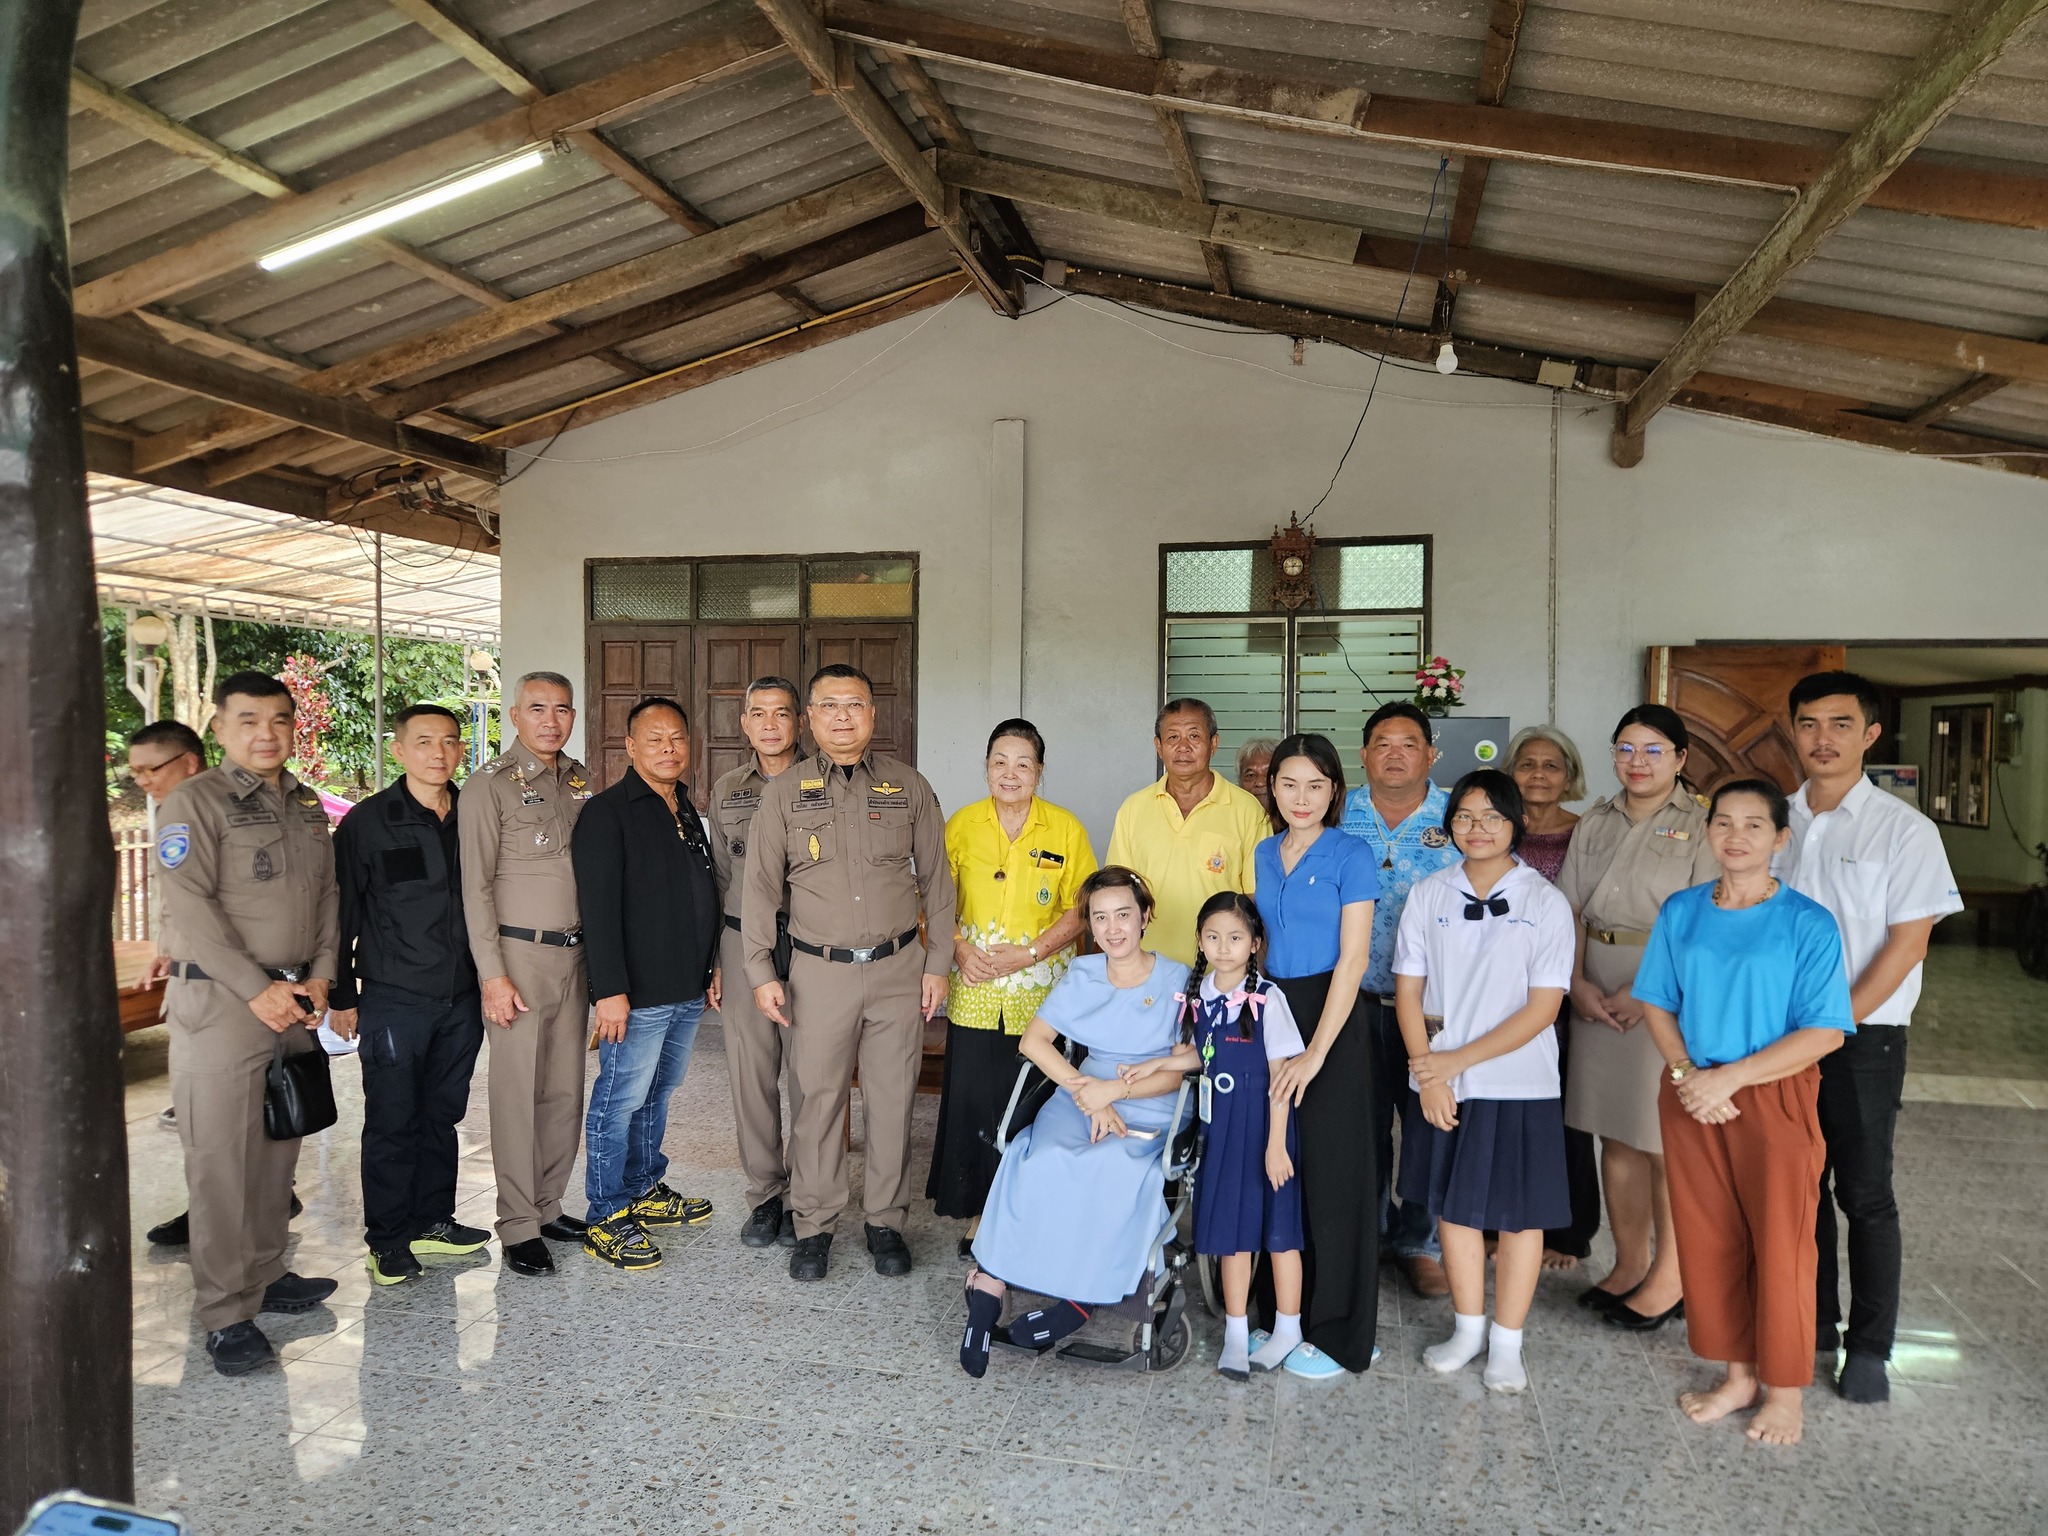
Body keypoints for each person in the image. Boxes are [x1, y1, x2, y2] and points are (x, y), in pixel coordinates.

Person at [1635, 778, 1854, 1445]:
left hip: (1773, 1094)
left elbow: (1826, 1031)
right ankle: (1737, 1377)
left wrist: (1730, 1078)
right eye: (1723, 822)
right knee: (1711, 1238)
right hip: (1691, 1093)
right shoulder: (1682, 910)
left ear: (1780, 838)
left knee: (1782, 1244)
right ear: (1707, 832)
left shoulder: (1807, 922)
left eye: (1754, 824)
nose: (1736, 836)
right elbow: (1656, 1001)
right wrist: (1686, 1074)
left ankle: (1784, 1391)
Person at [742, 664, 956, 1282]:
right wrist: (760, 970)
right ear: (810, 717)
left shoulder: (908, 786)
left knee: (893, 1100)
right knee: (818, 1102)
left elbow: (938, 882)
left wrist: (937, 964)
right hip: (819, 973)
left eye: (855, 704)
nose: (842, 716)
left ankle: (885, 1220)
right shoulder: (785, 793)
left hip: (897, 970)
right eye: (829, 705)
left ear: (873, 714)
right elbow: (760, 888)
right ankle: (814, 1225)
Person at [1781, 671, 1961, 1404]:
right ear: (1792, 731)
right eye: (1809, 724)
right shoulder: (1772, 821)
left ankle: (1870, 1348)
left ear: (1871, 735)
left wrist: (1835, 1023)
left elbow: (1907, 945)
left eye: (1841, 724)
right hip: (1779, 1038)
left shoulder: (1904, 830)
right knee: (1801, 1189)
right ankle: (1815, 1325)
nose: (1823, 739)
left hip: (1863, 1038)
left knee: (1864, 1193)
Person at [154, 671, 339, 1375]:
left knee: (276, 1148)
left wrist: (322, 973)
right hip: (222, 1006)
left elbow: (327, 895)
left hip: (292, 999)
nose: (267, 734)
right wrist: (256, 988)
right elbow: (192, 907)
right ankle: (225, 1311)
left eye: (280, 720)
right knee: (220, 1161)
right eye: (250, 721)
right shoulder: (193, 802)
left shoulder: (304, 802)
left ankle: (265, 1272)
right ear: (220, 729)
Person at [959, 868, 1193, 1377]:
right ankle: (988, 1290)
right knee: (1036, 1156)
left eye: (1123, 915)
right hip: (1080, 1092)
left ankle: (1078, 1302)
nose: (1112, 929)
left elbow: (1180, 1072)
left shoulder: (1178, 980)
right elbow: (1034, 1041)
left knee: (1113, 1166)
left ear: (1145, 916)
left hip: (1150, 1099)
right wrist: (1088, 1092)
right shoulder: (1083, 973)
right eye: (1100, 918)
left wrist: (1116, 1092)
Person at [1394, 769, 1575, 1395]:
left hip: (1519, 1082)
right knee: (1453, 1207)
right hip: (1442, 1081)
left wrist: (1454, 1062)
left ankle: (1508, 1343)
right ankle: (1467, 1329)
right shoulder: (1429, 893)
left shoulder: (1544, 902)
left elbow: (1543, 1008)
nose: (1477, 828)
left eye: (1492, 817)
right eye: (1465, 817)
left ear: (1516, 824)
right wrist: (1428, 1073)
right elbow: (1408, 992)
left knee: (1519, 1218)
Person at [1556, 704, 1717, 1330]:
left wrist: (1647, 992)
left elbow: (1704, 918)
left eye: (1653, 750)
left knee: (1663, 1140)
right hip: (1595, 981)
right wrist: (1575, 983)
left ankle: (1672, 1280)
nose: (1637, 762)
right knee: (1615, 1132)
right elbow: (1570, 908)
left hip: (1667, 990)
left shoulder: (1702, 823)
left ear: (1680, 758)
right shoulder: (1595, 821)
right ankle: (1629, 1264)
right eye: (1626, 748)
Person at [329, 704, 490, 1286]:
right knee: (393, 1118)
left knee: (443, 1114)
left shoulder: (473, 814)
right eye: (424, 742)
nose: (438, 753)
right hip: (396, 996)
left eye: (449, 741)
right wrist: (342, 995)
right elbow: (340, 912)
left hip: (462, 995)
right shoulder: (369, 822)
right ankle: (388, 1240)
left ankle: (432, 1222)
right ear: (398, 750)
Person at [929, 720, 1096, 1256]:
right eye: (999, 761)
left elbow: (1082, 908)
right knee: (978, 1102)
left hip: (1042, 996)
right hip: (977, 988)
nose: (1010, 773)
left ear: (1039, 772)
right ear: (986, 767)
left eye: (1023, 763)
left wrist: (1033, 952)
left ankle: (1032, 1212)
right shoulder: (962, 825)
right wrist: (958, 947)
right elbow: (933, 899)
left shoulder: (1064, 828)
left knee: (1034, 1105)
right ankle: (982, 1214)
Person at [571, 696, 722, 1271]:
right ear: (630, 747)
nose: (668, 748)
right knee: (620, 1099)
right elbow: (598, 909)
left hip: (684, 987)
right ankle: (605, 1213)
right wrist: (609, 991)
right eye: (655, 739)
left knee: (658, 1092)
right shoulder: (607, 813)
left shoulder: (684, 807)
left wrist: (709, 967)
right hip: (635, 993)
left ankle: (643, 1187)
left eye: (677, 738)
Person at [459, 670, 593, 1278]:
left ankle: (548, 1205)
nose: (550, 720)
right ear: (514, 715)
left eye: (562, 709)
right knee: (517, 1094)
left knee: (564, 1091)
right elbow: (475, 887)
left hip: (575, 956)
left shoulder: (580, 780)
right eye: (537, 708)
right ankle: (517, 1224)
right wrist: (492, 974)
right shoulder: (488, 786)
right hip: (518, 959)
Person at [1258, 732, 1382, 1378]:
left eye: (1315, 785)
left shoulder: (1351, 853)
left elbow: (1354, 960)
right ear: (1272, 788)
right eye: (1288, 784)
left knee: (1337, 1176)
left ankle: (1340, 1333)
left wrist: (1314, 1054)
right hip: (1272, 1010)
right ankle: (1284, 1313)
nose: (1301, 798)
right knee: (1281, 1166)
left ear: (1335, 790)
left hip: (1331, 1017)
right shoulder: (1262, 851)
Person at [1338, 702, 1460, 1299]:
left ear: (1430, 754)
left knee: (1427, 1126)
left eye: (1408, 743)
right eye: (1382, 743)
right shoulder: (1338, 811)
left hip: (1435, 1008)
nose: (1394, 754)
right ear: (1363, 755)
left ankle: (1419, 1242)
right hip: (1352, 1001)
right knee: (1360, 1128)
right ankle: (1369, 1234)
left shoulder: (1460, 815)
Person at [1172, 893, 1305, 1380]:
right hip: (1222, 1128)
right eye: (1213, 937)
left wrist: (1277, 1145)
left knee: (1279, 1233)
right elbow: (1199, 1055)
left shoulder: (1269, 999)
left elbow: (1282, 1078)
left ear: (1255, 944)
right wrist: (1150, 1067)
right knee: (1231, 1236)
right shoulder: (1198, 996)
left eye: (1235, 937)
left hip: (1267, 1127)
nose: (1223, 947)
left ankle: (1288, 1329)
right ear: (1199, 941)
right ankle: (1235, 1333)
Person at [709, 677, 805, 1249]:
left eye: (782, 713)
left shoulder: (822, 782)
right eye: (759, 714)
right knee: (752, 1075)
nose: (770, 724)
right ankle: (767, 1195)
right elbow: (721, 876)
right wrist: (719, 960)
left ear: (800, 722)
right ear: (744, 724)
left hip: (811, 943)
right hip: (743, 940)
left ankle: (805, 1198)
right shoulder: (727, 790)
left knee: (811, 1075)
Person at [1508, 725, 1602, 1271]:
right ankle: (1501, 1222)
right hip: (1499, 990)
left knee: (1565, 1116)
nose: (1538, 775)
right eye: (1527, 764)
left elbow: (1589, 910)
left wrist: (1578, 979)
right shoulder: (1495, 825)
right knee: (1502, 1110)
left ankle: (1568, 1234)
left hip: (1565, 988)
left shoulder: (1586, 832)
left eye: (1551, 765)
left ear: (1569, 776)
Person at [1105, 699, 1268, 967]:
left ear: (1213, 744)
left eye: (1194, 736)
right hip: (1147, 970)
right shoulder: (1133, 809)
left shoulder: (1246, 810)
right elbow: (1117, 893)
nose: (1183, 747)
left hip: (1221, 972)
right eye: (1172, 737)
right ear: (1159, 747)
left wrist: (1251, 971)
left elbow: (1255, 899)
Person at [129, 719, 210, 1240]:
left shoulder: (216, 811)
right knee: (200, 1111)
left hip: (219, 983)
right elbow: (175, 897)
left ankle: (224, 1213)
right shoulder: (170, 813)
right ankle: (213, 1206)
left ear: (189, 762)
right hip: (188, 974)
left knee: (209, 1113)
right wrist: (166, 949)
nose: (143, 781)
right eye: (134, 773)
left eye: (150, 769)